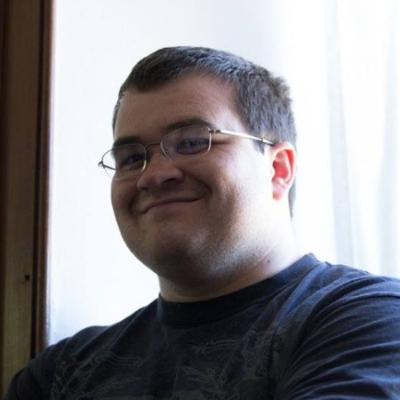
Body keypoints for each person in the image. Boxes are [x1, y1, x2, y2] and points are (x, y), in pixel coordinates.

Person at [5, 46, 400, 399]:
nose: (153, 175)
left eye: (193, 142)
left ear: (278, 169)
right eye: (131, 158)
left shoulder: (369, 322)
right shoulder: (60, 374)